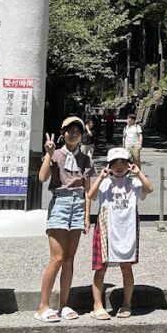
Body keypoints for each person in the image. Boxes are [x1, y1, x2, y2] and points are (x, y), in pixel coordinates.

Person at [35, 116, 92, 322]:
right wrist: (48, 155)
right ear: (63, 133)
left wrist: (87, 215)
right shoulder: (56, 154)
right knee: (57, 258)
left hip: (78, 206)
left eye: (77, 129)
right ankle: (43, 306)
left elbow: (87, 191)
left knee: (69, 259)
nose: (73, 133)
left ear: (82, 135)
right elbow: (42, 178)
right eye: (69, 129)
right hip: (60, 203)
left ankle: (64, 304)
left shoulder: (85, 159)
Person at [87, 147, 154, 320]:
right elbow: (90, 195)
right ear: (109, 165)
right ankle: (97, 305)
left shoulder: (134, 183)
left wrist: (138, 173)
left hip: (127, 229)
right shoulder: (105, 183)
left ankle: (127, 304)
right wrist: (101, 176)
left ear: (128, 164)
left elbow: (149, 188)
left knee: (126, 267)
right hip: (107, 228)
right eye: (115, 163)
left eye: (123, 162)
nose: (119, 166)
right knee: (101, 268)